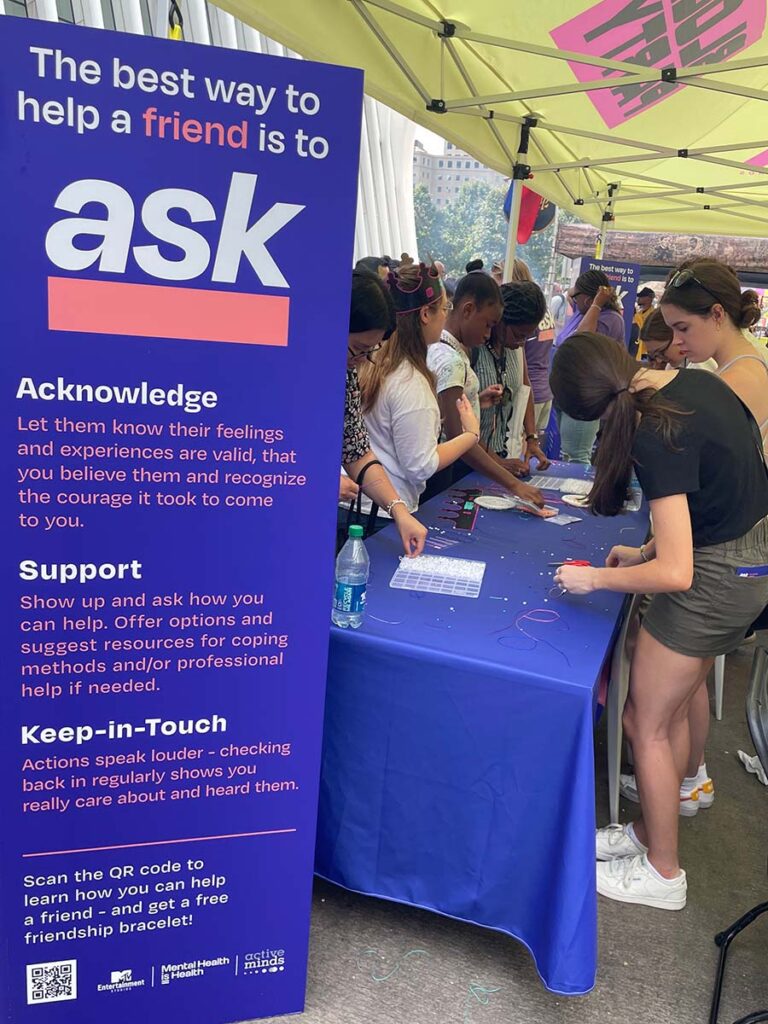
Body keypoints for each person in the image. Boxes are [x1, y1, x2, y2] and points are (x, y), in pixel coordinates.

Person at [550, 331, 768, 910]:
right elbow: (712, 504)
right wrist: (641, 553)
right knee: (666, 712)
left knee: (642, 720)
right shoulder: (692, 382)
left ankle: (663, 873)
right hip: (747, 564)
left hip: (717, 581)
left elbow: (677, 572)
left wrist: (593, 578)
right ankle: (650, 832)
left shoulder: (656, 430)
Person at [356, 260, 480, 517]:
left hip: (358, 504)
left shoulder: (370, 364)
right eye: (444, 308)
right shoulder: (410, 383)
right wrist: (470, 435)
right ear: (425, 314)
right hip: (384, 513)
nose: (446, 315)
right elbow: (420, 465)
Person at [425, 270, 544, 506]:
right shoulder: (451, 360)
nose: (488, 333)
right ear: (467, 310)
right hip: (443, 474)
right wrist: (514, 485)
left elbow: (446, 413)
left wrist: (477, 401)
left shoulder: (454, 354)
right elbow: (459, 438)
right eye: (488, 325)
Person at [341, 270, 428, 555]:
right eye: (357, 349)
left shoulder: (346, 376)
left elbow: (356, 453)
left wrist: (398, 510)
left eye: (371, 350)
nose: (361, 361)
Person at [473, 281, 550, 471]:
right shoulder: (472, 346)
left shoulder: (516, 349)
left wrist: (531, 439)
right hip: (469, 458)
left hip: (500, 452)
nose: (521, 342)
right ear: (500, 320)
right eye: (518, 335)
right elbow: (457, 421)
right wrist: (498, 464)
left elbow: (526, 389)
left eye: (527, 336)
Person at [554, 269, 626, 463]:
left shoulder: (610, 319)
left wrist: (596, 303)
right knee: (568, 452)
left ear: (586, 298)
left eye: (576, 296)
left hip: (585, 395)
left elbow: (581, 341)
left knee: (576, 454)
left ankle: (579, 493)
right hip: (569, 393)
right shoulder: (582, 314)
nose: (572, 299)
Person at [640, 309, 717, 371]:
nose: (659, 360)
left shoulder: (701, 369)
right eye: (653, 356)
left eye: (661, 352)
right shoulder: (672, 367)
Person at [633, 286, 656, 358]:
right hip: (637, 350)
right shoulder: (638, 314)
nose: (638, 299)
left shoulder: (654, 315)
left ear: (649, 298)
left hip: (647, 354)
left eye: (641, 296)